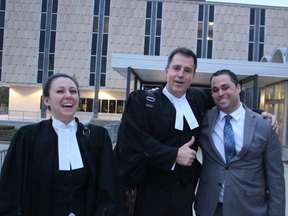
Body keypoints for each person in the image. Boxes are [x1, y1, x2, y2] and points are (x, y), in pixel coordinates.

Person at [114, 47, 278, 216]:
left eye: (187, 70)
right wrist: (173, 154)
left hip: (183, 196)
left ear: (192, 76)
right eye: (176, 68)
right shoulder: (142, 100)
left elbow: (228, 103)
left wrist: (258, 114)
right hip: (149, 194)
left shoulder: (198, 98)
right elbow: (132, 141)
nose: (181, 75)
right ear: (166, 71)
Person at [0, 73, 125, 216]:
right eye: (60, 91)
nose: (68, 95)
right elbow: (11, 192)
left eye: (73, 91)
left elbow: (109, 190)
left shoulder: (97, 138)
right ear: (46, 100)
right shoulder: (28, 138)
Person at [194, 69, 285, 216]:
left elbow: (276, 181)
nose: (220, 93)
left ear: (238, 88)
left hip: (249, 209)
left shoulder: (265, 126)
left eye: (225, 87)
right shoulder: (204, 120)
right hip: (210, 208)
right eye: (215, 90)